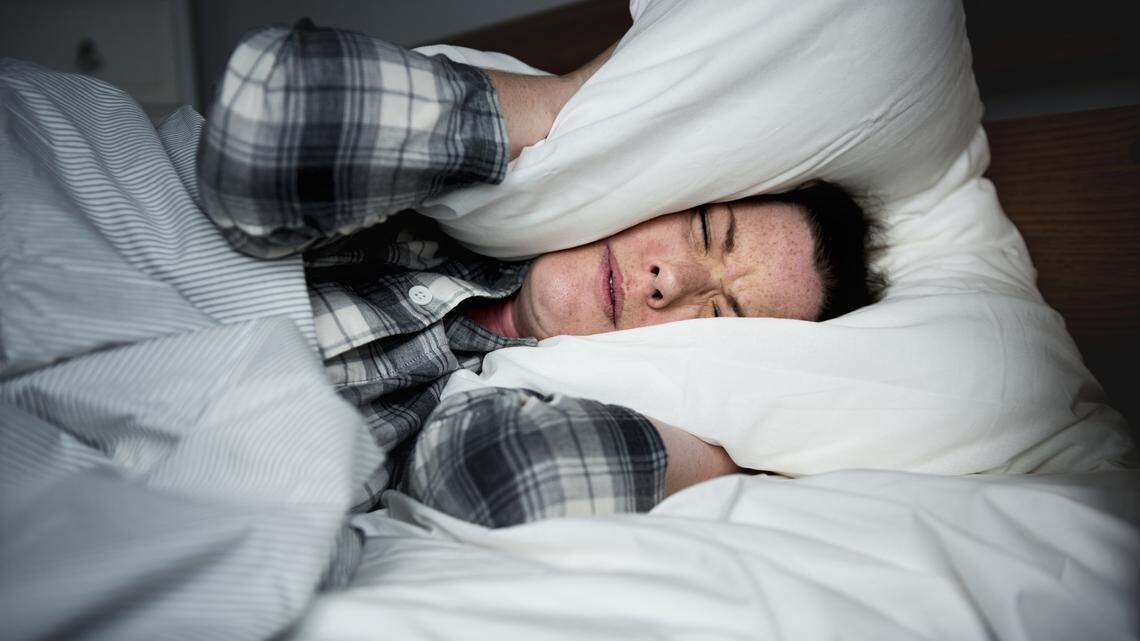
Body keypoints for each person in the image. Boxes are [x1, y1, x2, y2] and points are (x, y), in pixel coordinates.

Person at [198, 20, 884, 527]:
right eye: (703, 231)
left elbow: (503, 477)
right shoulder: (442, 191)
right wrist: (587, 106)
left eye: (716, 316)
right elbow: (266, 122)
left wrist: (731, 450)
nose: (666, 281)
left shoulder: (479, 411)